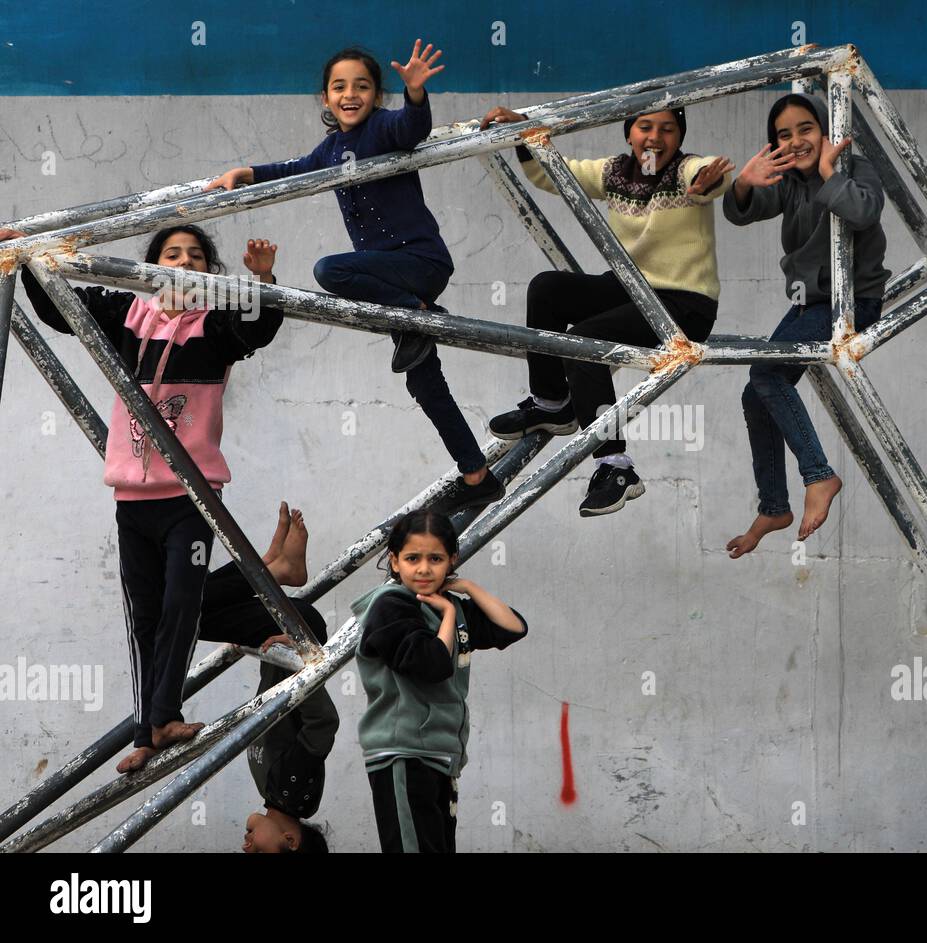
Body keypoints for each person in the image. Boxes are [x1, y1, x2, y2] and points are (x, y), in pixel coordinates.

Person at [18, 225, 285, 773]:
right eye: (170, 255)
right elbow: (57, 304)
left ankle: (164, 714)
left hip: (191, 495)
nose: (182, 264)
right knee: (142, 613)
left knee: (181, 602)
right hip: (132, 500)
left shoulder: (215, 327)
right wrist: (28, 255)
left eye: (195, 258)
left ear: (211, 276)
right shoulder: (129, 317)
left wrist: (260, 280)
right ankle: (147, 729)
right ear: (150, 266)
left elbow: (256, 328)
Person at [206, 40, 502, 516]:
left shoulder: (386, 126)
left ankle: (417, 312)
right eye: (339, 87)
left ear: (376, 95)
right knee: (422, 383)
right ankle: (477, 474)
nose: (350, 94)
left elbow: (413, 127)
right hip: (388, 285)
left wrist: (415, 93)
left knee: (328, 269)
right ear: (325, 99)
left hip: (418, 264)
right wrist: (247, 172)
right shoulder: (332, 148)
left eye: (361, 86)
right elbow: (295, 170)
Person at [478, 104, 733, 516]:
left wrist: (711, 180)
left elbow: (707, 178)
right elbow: (553, 174)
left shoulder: (686, 170)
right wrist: (524, 132)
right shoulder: (615, 172)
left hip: (684, 302)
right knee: (547, 289)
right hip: (629, 290)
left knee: (584, 343)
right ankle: (551, 403)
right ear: (629, 134)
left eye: (668, 129)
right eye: (645, 127)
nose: (655, 137)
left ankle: (616, 467)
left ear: (680, 139)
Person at [722, 93, 890, 556]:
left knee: (767, 373)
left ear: (826, 129)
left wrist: (829, 172)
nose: (796, 141)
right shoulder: (791, 182)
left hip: (851, 301)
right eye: (783, 134)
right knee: (755, 391)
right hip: (808, 305)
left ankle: (819, 475)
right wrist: (742, 184)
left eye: (805, 129)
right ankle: (775, 505)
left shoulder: (855, 169)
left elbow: (862, 213)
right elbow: (745, 211)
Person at [351, 510, 527, 852]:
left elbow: (513, 628)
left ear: (452, 559)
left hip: (439, 755)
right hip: (402, 753)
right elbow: (431, 663)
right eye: (412, 558)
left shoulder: (452, 605)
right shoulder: (390, 607)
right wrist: (448, 615)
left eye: (436, 558)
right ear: (395, 561)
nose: (423, 568)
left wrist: (467, 588)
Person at [195, 502, 337, 854]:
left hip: (286, 632)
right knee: (180, 612)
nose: (246, 849)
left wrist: (261, 646)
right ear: (290, 840)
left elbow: (277, 700)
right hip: (301, 633)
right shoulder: (293, 789)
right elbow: (322, 724)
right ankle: (274, 569)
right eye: (259, 853)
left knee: (184, 608)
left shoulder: (273, 794)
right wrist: (304, 661)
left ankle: (269, 566)